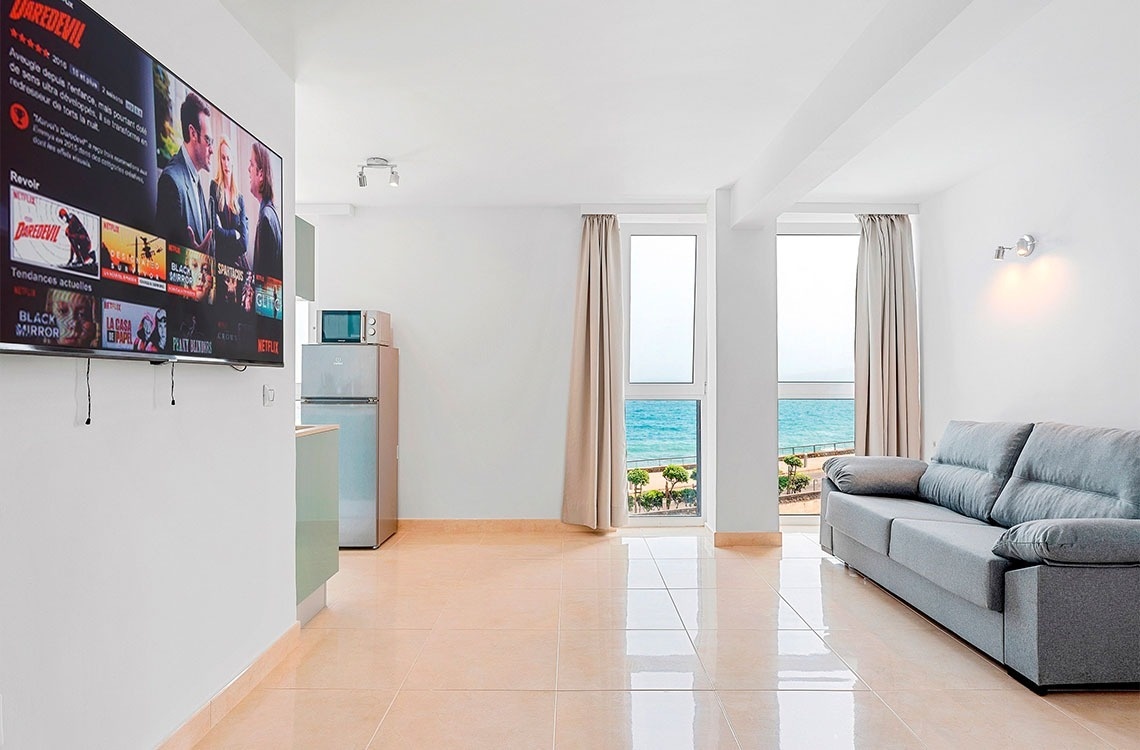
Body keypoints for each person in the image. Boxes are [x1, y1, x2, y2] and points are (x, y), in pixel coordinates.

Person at [155, 92, 215, 254]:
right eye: (208, 140)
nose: (212, 150)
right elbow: (163, 253)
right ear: (193, 133)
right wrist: (192, 257)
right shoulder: (171, 181)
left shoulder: (195, 178)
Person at [209, 137, 248, 268]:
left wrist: (225, 236)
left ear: (233, 161)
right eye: (223, 158)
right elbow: (215, 232)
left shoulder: (240, 198)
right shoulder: (214, 187)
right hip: (219, 266)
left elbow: (244, 244)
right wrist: (234, 234)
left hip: (236, 268)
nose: (226, 163)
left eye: (229, 158)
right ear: (219, 160)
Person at [248, 142, 281, 279]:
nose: (248, 169)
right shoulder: (271, 214)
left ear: (260, 174)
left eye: (251, 164)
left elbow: (263, 280)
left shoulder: (266, 218)